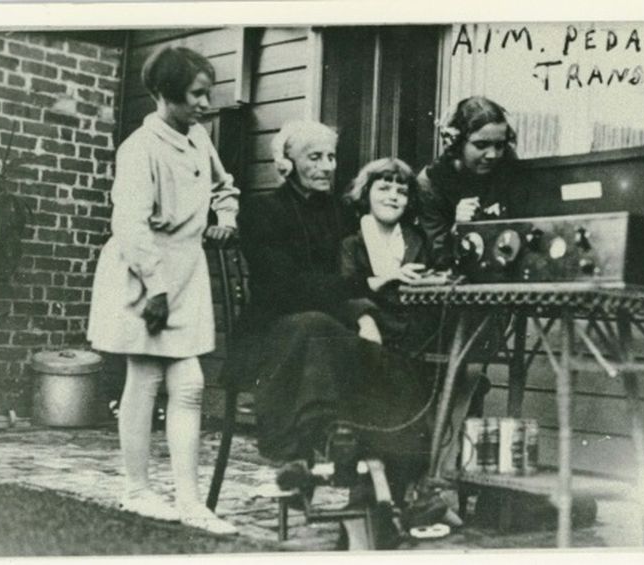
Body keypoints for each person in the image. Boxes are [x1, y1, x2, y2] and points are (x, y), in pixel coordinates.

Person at [234, 123, 437, 514]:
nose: (327, 166)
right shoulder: (262, 210)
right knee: (314, 326)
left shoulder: (342, 214)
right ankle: (314, 446)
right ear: (286, 163)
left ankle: (373, 478)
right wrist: (362, 296)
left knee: (389, 360)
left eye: (331, 157)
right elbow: (284, 287)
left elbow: (347, 276)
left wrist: (362, 313)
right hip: (272, 331)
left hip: (332, 328)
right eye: (315, 157)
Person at [87, 46, 238, 536]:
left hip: (185, 271)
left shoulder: (198, 138)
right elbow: (130, 224)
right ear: (166, 94)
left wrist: (226, 217)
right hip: (144, 272)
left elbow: (223, 186)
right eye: (196, 94)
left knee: (189, 384)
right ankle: (137, 490)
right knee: (146, 377)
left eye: (207, 93)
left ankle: (190, 501)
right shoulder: (139, 148)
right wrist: (154, 288)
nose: (205, 104)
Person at [340, 157, 436, 354]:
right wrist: (389, 277)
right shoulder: (351, 243)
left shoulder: (418, 240)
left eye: (402, 192)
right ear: (366, 192)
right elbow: (346, 290)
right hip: (369, 334)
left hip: (416, 340)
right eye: (384, 188)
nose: (393, 197)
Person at [417, 96, 523, 270]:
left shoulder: (508, 168)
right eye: (481, 145)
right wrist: (457, 229)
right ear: (456, 143)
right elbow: (435, 256)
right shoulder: (430, 184)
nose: (492, 155)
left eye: (499, 145)